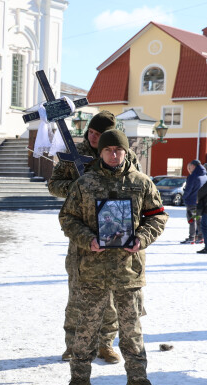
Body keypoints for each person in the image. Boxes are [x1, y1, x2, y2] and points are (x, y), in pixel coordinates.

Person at [58, 129, 168, 385]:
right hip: (92, 270)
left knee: (131, 329)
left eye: (118, 150)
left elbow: (157, 217)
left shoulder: (141, 183)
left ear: (126, 151)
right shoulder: (85, 184)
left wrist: (142, 238)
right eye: (108, 150)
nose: (114, 154)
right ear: (101, 152)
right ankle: (79, 379)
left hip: (127, 270)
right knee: (86, 327)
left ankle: (138, 380)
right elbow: (67, 219)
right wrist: (87, 239)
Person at [48, 110, 142, 364]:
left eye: (99, 134)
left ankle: (105, 343)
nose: (92, 137)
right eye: (90, 132)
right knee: (78, 291)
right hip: (84, 233)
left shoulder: (125, 155)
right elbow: (53, 184)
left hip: (117, 230)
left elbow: (138, 186)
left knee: (111, 295)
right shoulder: (73, 153)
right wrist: (79, 188)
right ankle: (73, 343)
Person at [181, 160, 207, 244]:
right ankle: (200, 237)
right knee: (198, 220)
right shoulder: (205, 176)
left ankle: (191, 238)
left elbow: (188, 189)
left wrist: (184, 197)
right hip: (200, 202)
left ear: (193, 166)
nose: (189, 168)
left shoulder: (193, 176)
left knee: (192, 220)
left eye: (190, 167)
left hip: (192, 202)